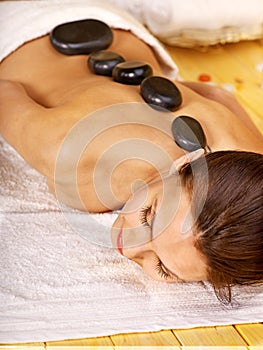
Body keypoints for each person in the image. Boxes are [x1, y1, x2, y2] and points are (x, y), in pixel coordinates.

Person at [0, 25, 262, 303]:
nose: (130, 247)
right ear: (184, 162)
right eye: (148, 215)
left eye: (162, 267)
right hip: (24, 32)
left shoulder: (250, 163)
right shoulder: (76, 163)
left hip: (123, 28)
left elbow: (220, 97)